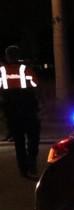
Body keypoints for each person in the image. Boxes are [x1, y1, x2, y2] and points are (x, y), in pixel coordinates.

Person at [1, 45, 41, 179]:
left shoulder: (2, 70)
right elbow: (35, 84)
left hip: (11, 109)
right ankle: (32, 162)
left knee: (19, 141)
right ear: (18, 56)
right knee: (33, 137)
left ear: (7, 56)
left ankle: (23, 170)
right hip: (28, 107)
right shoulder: (25, 69)